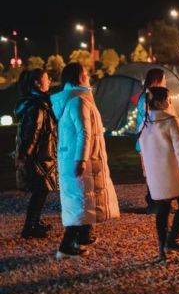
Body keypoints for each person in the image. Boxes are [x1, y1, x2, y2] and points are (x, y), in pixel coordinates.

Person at [51, 62, 120, 259]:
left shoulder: (79, 99)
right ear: (79, 77)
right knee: (79, 202)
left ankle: (80, 237)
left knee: (82, 200)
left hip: (79, 158)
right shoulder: (78, 101)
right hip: (79, 159)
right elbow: (83, 132)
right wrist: (81, 159)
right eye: (85, 73)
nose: (88, 75)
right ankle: (65, 248)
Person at [138, 86, 179, 261]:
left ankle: (162, 250)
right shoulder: (170, 120)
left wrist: (147, 172)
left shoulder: (144, 124)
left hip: (156, 174)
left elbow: (144, 151)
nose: (169, 102)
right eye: (167, 99)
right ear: (158, 102)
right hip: (173, 172)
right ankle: (172, 239)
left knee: (162, 209)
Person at [14, 69, 58, 239]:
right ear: (37, 83)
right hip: (40, 155)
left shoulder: (36, 102)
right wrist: (24, 155)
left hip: (41, 154)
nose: (50, 81)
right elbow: (33, 132)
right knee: (40, 190)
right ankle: (29, 227)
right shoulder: (38, 105)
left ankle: (34, 222)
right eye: (47, 78)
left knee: (41, 190)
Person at [135, 68, 167, 213]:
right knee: (152, 172)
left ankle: (159, 202)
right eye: (163, 79)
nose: (165, 82)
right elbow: (151, 120)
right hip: (148, 141)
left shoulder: (153, 96)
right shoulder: (147, 98)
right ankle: (154, 203)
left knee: (158, 172)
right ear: (157, 80)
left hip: (153, 140)